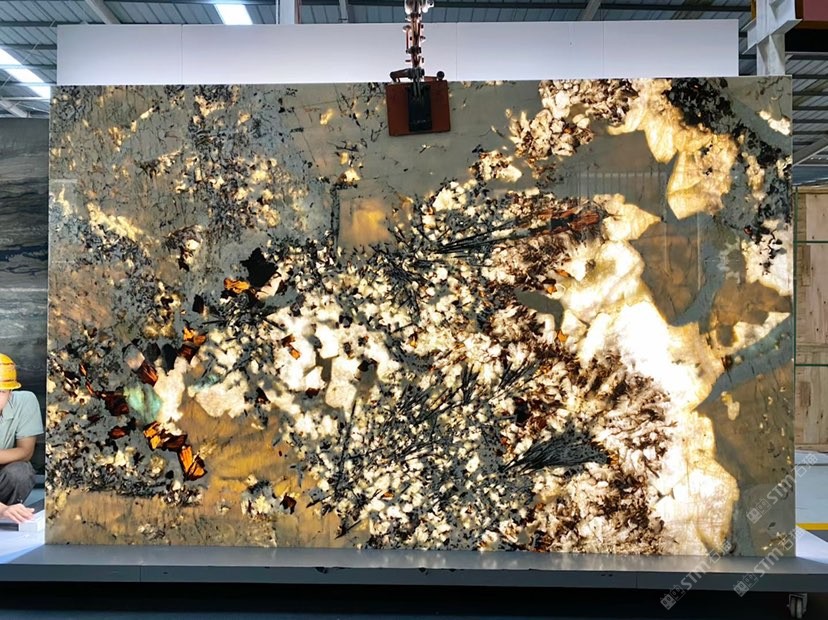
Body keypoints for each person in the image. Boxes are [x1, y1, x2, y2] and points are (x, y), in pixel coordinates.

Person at [0, 353, 43, 524]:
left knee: (20, 472)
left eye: (1, 391)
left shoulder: (25, 401)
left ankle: (12, 512)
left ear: (10, 392)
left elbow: (25, 452)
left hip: (3, 477)